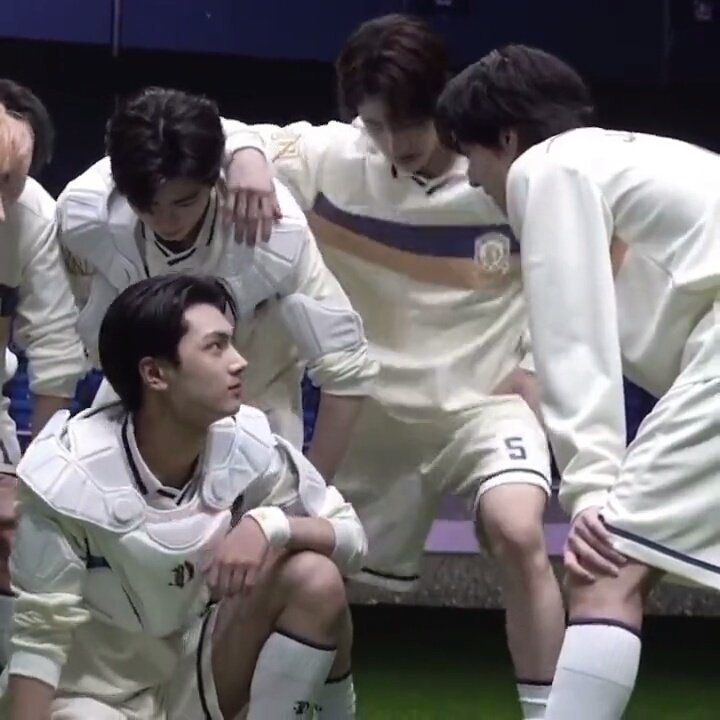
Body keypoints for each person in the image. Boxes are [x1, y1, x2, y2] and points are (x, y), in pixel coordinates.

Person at [221, 14, 561, 718]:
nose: (396, 144)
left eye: (410, 123)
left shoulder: (500, 177)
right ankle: (333, 706)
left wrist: (535, 360)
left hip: (481, 408)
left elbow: (570, 269)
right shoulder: (330, 157)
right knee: (314, 573)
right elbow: (220, 130)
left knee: (520, 531)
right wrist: (247, 158)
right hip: (365, 415)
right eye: (377, 125)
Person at [436, 44, 720, 719]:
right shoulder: (636, 164)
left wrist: (591, 486)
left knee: (604, 565)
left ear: (508, 138)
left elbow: (572, 330)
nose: (472, 178)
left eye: (471, 154)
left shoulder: (549, 166)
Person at [0, 273, 367, 719]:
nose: (239, 362)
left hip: (195, 675)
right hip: (90, 700)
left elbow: (351, 539)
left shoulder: (244, 444)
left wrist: (269, 524)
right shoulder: (68, 476)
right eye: (216, 347)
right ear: (155, 374)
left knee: (315, 578)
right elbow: (38, 640)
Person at [57, 87, 377, 481]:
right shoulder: (87, 218)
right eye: (148, 205)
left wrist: (312, 489)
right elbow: (78, 321)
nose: (167, 221)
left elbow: (346, 367)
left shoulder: (275, 234)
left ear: (212, 181)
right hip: (139, 399)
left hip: (255, 402)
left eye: (184, 202)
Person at [0, 82, 86, 665]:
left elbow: (56, 353)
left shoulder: (33, 216)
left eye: (13, 183)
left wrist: (31, 484)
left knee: (19, 537)